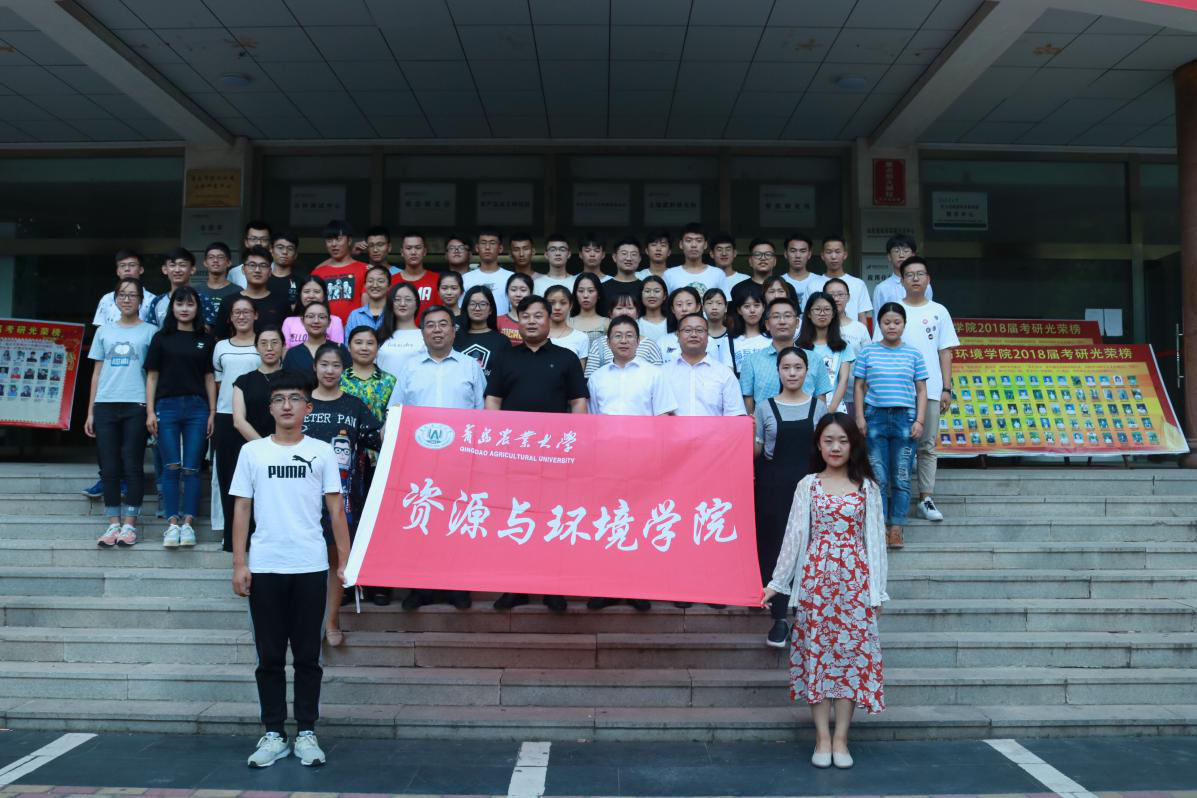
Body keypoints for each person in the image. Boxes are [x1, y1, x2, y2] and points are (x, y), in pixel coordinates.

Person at [230, 369, 348, 769]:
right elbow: (242, 508)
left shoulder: (322, 451)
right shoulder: (253, 453)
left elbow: (335, 509)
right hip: (265, 566)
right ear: (269, 408)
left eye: (295, 399)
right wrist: (240, 563)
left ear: (307, 408)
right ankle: (274, 733)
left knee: (308, 657)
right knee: (269, 657)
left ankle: (307, 732)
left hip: (310, 566)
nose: (286, 406)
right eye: (279, 399)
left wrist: (345, 560)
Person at [763, 413, 888, 770]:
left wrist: (877, 591)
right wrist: (777, 583)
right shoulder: (808, 486)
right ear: (818, 444)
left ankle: (841, 739)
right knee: (817, 657)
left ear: (853, 445)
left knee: (849, 658)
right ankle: (821, 738)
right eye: (829, 440)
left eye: (843, 441)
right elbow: (793, 537)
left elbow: (876, 542)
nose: (836, 447)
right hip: (816, 583)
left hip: (855, 584)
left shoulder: (867, 488)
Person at [485, 295, 588, 613]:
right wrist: (496, 443)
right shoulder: (506, 358)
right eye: (525, 315)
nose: (531, 321)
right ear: (518, 320)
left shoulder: (567, 358)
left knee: (551, 518)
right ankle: (514, 587)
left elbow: (578, 403)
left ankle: (551, 587)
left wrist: (575, 443)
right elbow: (492, 400)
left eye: (538, 315)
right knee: (514, 517)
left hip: (555, 456)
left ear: (550, 318)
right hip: (514, 454)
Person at [388, 305, 485, 612]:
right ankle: (420, 587)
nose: (438, 330)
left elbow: (483, 413)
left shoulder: (470, 367)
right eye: (430, 325)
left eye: (444, 324)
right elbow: (396, 411)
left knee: (457, 521)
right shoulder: (410, 368)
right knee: (422, 519)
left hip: (461, 460)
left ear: (454, 331)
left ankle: (457, 586)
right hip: (419, 459)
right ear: (422, 332)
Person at [585, 316, 674, 612]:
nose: (623, 340)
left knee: (638, 522)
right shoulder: (597, 378)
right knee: (607, 522)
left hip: (643, 461)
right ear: (608, 342)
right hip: (606, 462)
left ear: (638, 340)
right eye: (617, 335)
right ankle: (606, 587)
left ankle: (638, 586)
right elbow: (592, 422)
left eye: (629, 335)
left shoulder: (655, 374)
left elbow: (663, 420)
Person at [304, 342, 382, 647]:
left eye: (336, 365)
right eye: (324, 364)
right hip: (300, 497)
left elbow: (379, 439)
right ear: (315, 367)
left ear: (344, 370)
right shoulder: (301, 403)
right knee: (307, 563)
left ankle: (332, 621)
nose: (329, 371)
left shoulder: (354, 406)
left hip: (343, 498)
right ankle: (308, 622)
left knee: (338, 558)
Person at [754, 347, 828, 647]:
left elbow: (828, 451)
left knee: (809, 549)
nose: (792, 373)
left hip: (810, 488)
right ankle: (779, 619)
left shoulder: (819, 408)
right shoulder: (764, 407)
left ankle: (807, 617)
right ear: (778, 371)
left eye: (798, 367)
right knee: (775, 548)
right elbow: (757, 450)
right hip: (773, 488)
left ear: (807, 371)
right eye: (786, 367)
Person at [883, 257, 957, 523]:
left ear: (928, 279)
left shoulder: (939, 311)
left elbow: (945, 351)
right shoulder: (892, 310)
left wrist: (947, 388)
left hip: (932, 389)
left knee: (927, 446)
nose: (915, 278)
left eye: (920, 274)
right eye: (909, 274)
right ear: (901, 280)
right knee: (896, 444)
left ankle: (925, 498)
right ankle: (892, 498)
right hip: (895, 391)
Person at [84, 276, 155, 546]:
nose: (127, 299)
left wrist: (151, 409)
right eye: (122, 295)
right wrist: (90, 411)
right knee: (109, 466)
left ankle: (130, 525)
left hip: (136, 404)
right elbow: (96, 373)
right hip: (105, 404)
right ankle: (113, 523)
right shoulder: (104, 331)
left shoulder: (150, 332)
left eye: (132, 295)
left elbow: (153, 375)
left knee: (132, 464)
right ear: (115, 300)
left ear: (141, 300)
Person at [145, 286, 216, 549]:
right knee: (171, 466)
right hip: (167, 407)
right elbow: (152, 377)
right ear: (172, 307)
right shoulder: (161, 338)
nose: (185, 309)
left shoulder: (206, 338)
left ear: (197, 308)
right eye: (180, 303)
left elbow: (209, 377)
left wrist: (212, 412)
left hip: (198, 408)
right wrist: (150, 411)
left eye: (190, 304)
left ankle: (188, 524)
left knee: (192, 468)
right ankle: (172, 522)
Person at [854, 302, 928, 549]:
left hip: (905, 418)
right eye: (887, 322)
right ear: (879, 324)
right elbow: (858, 386)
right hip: (874, 417)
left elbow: (921, 390)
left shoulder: (914, 354)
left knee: (902, 475)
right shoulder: (868, 352)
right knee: (878, 477)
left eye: (897, 322)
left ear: (904, 325)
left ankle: (896, 528)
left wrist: (919, 420)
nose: (892, 326)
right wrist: (860, 417)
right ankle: (880, 526)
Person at [229, 326, 285, 551]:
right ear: (256, 348)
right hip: (253, 451)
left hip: (289, 450)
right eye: (263, 343)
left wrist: (280, 448)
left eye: (275, 342)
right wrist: (266, 447)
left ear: (283, 347)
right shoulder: (243, 381)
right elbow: (238, 420)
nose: (269, 348)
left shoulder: (294, 379)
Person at [212, 296, 262, 538]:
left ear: (256, 315)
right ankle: (231, 533)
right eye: (236, 312)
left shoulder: (264, 344)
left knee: (258, 475)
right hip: (226, 415)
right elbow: (218, 383)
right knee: (228, 475)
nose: (241, 316)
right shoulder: (221, 347)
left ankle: (257, 529)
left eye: (246, 311)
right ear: (230, 317)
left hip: (259, 416)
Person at [740, 297, 834, 414]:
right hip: (766, 424)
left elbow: (821, 403)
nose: (782, 321)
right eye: (776, 316)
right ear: (767, 324)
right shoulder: (751, 361)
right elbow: (748, 407)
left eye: (788, 316)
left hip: (807, 424)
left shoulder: (814, 359)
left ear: (797, 323)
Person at [662, 313, 746, 417]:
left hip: (715, 428)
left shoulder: (725, 374)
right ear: (678, 336)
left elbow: (736, 415)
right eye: (687, 330)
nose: (694, 334)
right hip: (673, 428)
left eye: (700, 330)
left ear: (708, 336)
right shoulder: (663, 373)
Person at [214, 247, 291, 339]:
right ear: (243, 269)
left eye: (263, 265)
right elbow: (219, 337)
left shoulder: (282, 302)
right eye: (252, 265)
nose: (257, 270)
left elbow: (288, 338)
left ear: (270, 271)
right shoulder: (228, 301)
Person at [796, 291, 853, 412]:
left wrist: (830, 410)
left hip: (834, 408)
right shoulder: (797, 346)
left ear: (833, 314)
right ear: (809, 313)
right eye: (817, 309)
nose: (822, 313)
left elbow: (843, 380)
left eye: (827, 309)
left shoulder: (843, 346)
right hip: (803, 407)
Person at [584, 294, 663, 377]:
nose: (625, 312)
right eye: (619, 308)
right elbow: (590, 378)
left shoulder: (650, 345)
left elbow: (659, 377)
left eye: (630, 308)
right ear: (610, 313)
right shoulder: (598, 344)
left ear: (637, 314)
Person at [312, 219, 368, 326]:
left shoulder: (364, 269)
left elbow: (367, 306)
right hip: (324, 330)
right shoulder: (317, 273)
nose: (334, 244)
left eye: (339, 239)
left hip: (355, 330)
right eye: (329, 240)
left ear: (349, 241)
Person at [341, 326, 396, 422]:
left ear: (378, 347)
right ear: (349, 347)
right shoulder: (339, 379)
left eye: (370, 343)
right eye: (358, 343)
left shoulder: (390, 381)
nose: (364, 348)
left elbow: (395, 416)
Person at [454, 286, 509, 378]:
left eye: (483, 304)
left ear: (490, 309)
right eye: (472, 304)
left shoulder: (502, 341)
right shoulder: (454, 338)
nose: (477, 308)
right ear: (466, 307)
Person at [282, 300, 348, 373]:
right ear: (302, 321)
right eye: (310, 316)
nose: (316, 321)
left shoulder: (340, 349)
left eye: (322, 317)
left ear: (329, 322)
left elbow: (349, 378)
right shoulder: (292, 354)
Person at [92, 249, 154, 328]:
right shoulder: (107, 299)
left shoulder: (153, 300)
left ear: (141, 270)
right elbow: (100, 330)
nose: (127, 269)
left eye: (132, 265)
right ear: (117, 271)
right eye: (122, 265)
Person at [664, 223, 727, 297]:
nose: (694, 245)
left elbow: (725, 303)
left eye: (699, 240)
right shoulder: (669, 275)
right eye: (688, 240)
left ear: (705, 245)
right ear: (681, 244)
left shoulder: (718, 274)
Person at [376, 282, 426, 376]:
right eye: (397, 300)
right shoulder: (380, 335)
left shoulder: (425, 336)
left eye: (408, 299)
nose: (402, 304)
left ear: (417, 304)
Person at [461, 228, 514, 315]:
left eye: (492, 243)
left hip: (504, 324)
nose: (487, 247)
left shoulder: (511, 277)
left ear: (500, 248)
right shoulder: (466, 278)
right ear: (477, 248)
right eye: (483, 243)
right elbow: (462, 309)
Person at [820, 235, 871, 324]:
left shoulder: (858, 284)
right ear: (822, 255)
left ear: (845, 255)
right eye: (829, 252)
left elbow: (862, 318)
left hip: (852, 333)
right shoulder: (812, 285)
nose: (833, 256)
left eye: (837, 252)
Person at [283, 276, 346, 349]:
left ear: (324, 296)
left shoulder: (335, 321)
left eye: (316, 292)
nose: (311, 296)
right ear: (300, 295)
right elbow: (285, 351)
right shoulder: (289, 322)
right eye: (306, 291)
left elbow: (338, 351)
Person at [872, 234, 931, 311]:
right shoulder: (881, 288)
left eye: (906, 251)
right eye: (896, 251)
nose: (901, 255)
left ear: (913, 255)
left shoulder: (924, 285)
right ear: (889, 257)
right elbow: (878, 317)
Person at [197, 242, 242, 331]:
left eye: (220, 257)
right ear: (205, 263)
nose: (215, 260)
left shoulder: (238, 291)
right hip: (201, 338)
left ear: (228, 262)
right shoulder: (196, 291)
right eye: (211, 257)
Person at [145, 248, 196, 326]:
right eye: (172, 265)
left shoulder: (202, 300)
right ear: (164, 269)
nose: (177, 270)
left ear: (192, 269)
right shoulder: (157, 302)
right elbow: (151, 331)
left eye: (182, 265)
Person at [729, 283, 771, 375]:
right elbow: (728, 375)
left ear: (763, 307)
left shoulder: (773, 339)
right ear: (739, 310)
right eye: (747, 306)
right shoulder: (729, 341)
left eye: (756, 305)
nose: (752, 310)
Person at [545, 284, 590, 368]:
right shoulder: (536, 335)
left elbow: (579, 372)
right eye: (551, 303)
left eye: (563, 303)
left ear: (570, 305)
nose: (557, 307)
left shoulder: (581, 338)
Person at [657, 286, 706, 362]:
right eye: (679, 304)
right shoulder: (662, 342)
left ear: (698, 307)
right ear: (673, 309)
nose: (684, 309)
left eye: (689, 304)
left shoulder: (708, 341)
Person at [392, 230, 441, 306]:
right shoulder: (392, 281)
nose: (413, 252)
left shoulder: (438, 280)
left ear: (424, 251)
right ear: (402, 252)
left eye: (418, 248)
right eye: (408, 248)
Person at [781, 233, 826, 311]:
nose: (798, 255)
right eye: (793, 251)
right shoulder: (779, 282)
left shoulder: (820, 281)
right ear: (785, 254)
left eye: (802, 251)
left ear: (809, 254)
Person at [825, 277, 870, 356]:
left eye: (840, 294)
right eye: (831, 295)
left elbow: (868, 357)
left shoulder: (860, 328)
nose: (836, 299)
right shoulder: (818, 327)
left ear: (848, 297)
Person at [226, 219, 273, 288]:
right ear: (246, 242)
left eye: (264, 239)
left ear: (270, 243)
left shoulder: (278, 271)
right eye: (254, 239)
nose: (258, 243)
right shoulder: (234, 273)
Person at [731, 238, 778, 306]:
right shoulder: (738, 289)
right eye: (757, 254)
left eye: (768, 254)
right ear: (750, 261)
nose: (763, 258)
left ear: (775, 261)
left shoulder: (785, 288)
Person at [345, 265, 391, 332]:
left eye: (380, 281)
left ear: (389, 286)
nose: (375, 285)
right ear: (365, 286)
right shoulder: (354, 315)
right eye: (370, 281)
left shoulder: (394, 313)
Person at [602, 237, 644, 307]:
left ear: (639, 258)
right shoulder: (602, 288)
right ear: (614, 257)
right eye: (624, 253)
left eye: (633, 254)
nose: (629, 258)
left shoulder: (645, 289)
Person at [570, 271, 609, 344]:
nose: (585, 295)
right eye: (581, 291)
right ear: (575, 294)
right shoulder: (567, 323)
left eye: (591, 291)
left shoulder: (607, 324)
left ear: (599, 294)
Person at [497, 272, 534, 344]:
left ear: (531, 293)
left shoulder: (536, 322)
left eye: (523, 290)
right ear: (507, 293)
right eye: (513, 290)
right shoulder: (498, 322)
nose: (518, 294)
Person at [267, 230, 302, 305]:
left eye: (290, 248)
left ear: (296, 254)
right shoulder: (262, 280)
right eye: (280, 247)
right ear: (271, 250)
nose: (285, 252)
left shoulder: (302, 283)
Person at [702, 288, 734, 367]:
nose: (714, 307)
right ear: (703, 308)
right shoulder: (698, 335)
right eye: (709, 303)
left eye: (719, 303)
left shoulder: (733, 335)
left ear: (726, 308)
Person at [637, 275, 669, 343]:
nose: (652, 295)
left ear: (664, 296)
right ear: (641, 295)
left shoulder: (672, 323)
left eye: (656, 291)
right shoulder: (636, 323)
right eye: (647, 291)